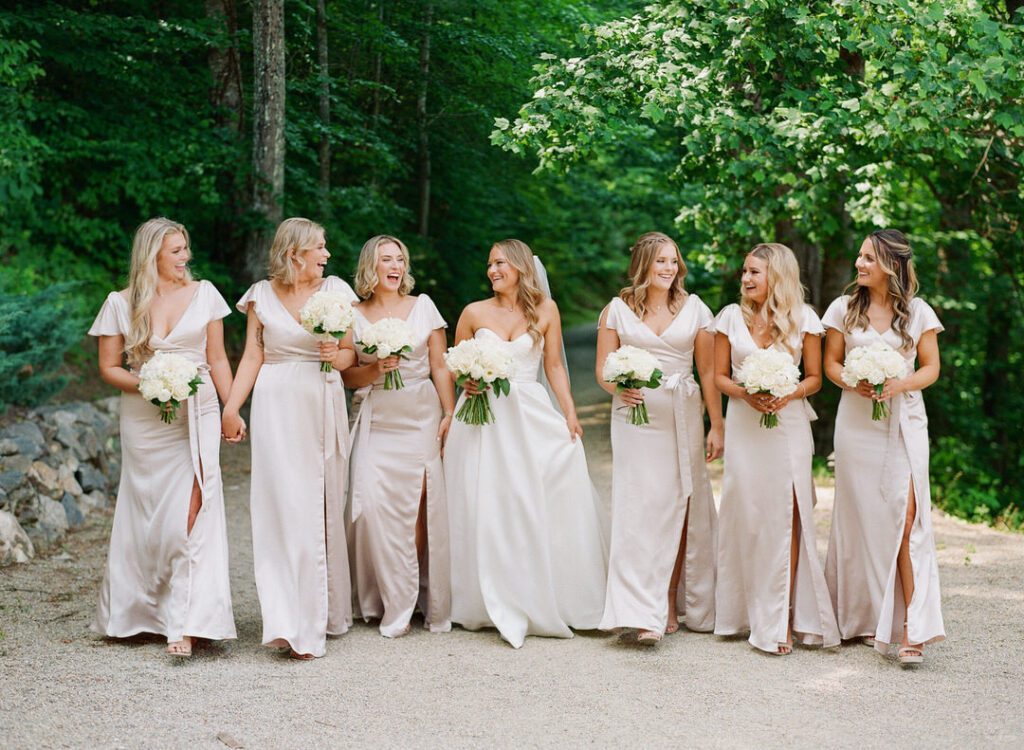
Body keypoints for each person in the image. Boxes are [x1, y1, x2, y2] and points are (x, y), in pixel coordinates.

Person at [444, 239, 607, 648]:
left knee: (537, 492)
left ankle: (542, 592)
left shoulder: (545, 310)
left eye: (499, 262)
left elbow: (552, 365)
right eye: (489, 264)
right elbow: (451, 363)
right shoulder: (472, 313)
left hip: (528, 412)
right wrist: (465, 383)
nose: (492, 270)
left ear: (519, 266)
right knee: (484, 501)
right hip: (481, 416)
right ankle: (481, 601)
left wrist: (569, 412)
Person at [89, 217, 236, 658]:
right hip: (144, 419)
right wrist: (151, 385)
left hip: (199, 410)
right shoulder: (120, 302)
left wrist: (232, 409)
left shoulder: (205, 294)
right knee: (147, 509)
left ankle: (188, 621)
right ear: (151, 254)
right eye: (176, 250)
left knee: (194, 509)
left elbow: (218, 358)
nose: (185, 257)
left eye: (185, 248)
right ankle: (139, 612)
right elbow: (109, 368)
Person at [222, 217, 357, 659]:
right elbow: (252, 355)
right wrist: (232, 406)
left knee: (314, 508)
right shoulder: (260, 295)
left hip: (319, 399)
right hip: (276, 404)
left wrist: (335, 354)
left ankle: (315, 620)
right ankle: (282, 620)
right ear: (295, 252)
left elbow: (350, 355)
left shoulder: (335, 290)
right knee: (278, 507)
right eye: (320, 246)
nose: (327, 254)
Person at [822, 229, 945, 665]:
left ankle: (913, 627)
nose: (859, 264)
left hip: (904, 421)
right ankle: (859, 618)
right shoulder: (842, 309)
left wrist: (900, 384)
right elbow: (830, 363)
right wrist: (852, 381)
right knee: (859, 517)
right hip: (855, 425)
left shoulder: (918, 313)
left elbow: (931, 368)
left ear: (891, 264)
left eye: (869, 258)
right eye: (859, 256)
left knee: (907, 518)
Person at [712, 242, 840, 654]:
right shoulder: (730, 318)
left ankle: (782, 618)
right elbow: (717, 376)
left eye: (754, 272)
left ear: (777, 277)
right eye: (744, 271)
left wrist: (788, 393)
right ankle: (742, 613)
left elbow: (816, 378)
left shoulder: (805, 319)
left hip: (788, 426)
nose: (745, 279)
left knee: (787, 513)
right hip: (745, 427)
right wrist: (746, 392)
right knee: (746, 514)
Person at [595, 232, 722, 644]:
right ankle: (636, 609)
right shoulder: (616, 310)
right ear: (644, 266)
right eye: (661, 262)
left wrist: (716, 425)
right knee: (637, 506)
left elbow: (709, 374)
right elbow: (602, 370)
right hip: (634, 418)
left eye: (673, 261)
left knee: (680, 502)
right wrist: (618, 388)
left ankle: (668, 597)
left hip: (683, 414)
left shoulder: (696, 309)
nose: (669, 269)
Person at [343, 235, 456, 637]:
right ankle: (388, 596)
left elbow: (440, 365)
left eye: (399, 260)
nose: (394, 266)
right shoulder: (352, 313)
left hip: (420, 414)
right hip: (378, 418)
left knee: (416, 512)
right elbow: (347, 373)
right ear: (369, 268)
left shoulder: (423, 306)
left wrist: (449, 412)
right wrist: (375, 370)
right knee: (372, 508)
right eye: (385, 260)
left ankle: (409, 602)